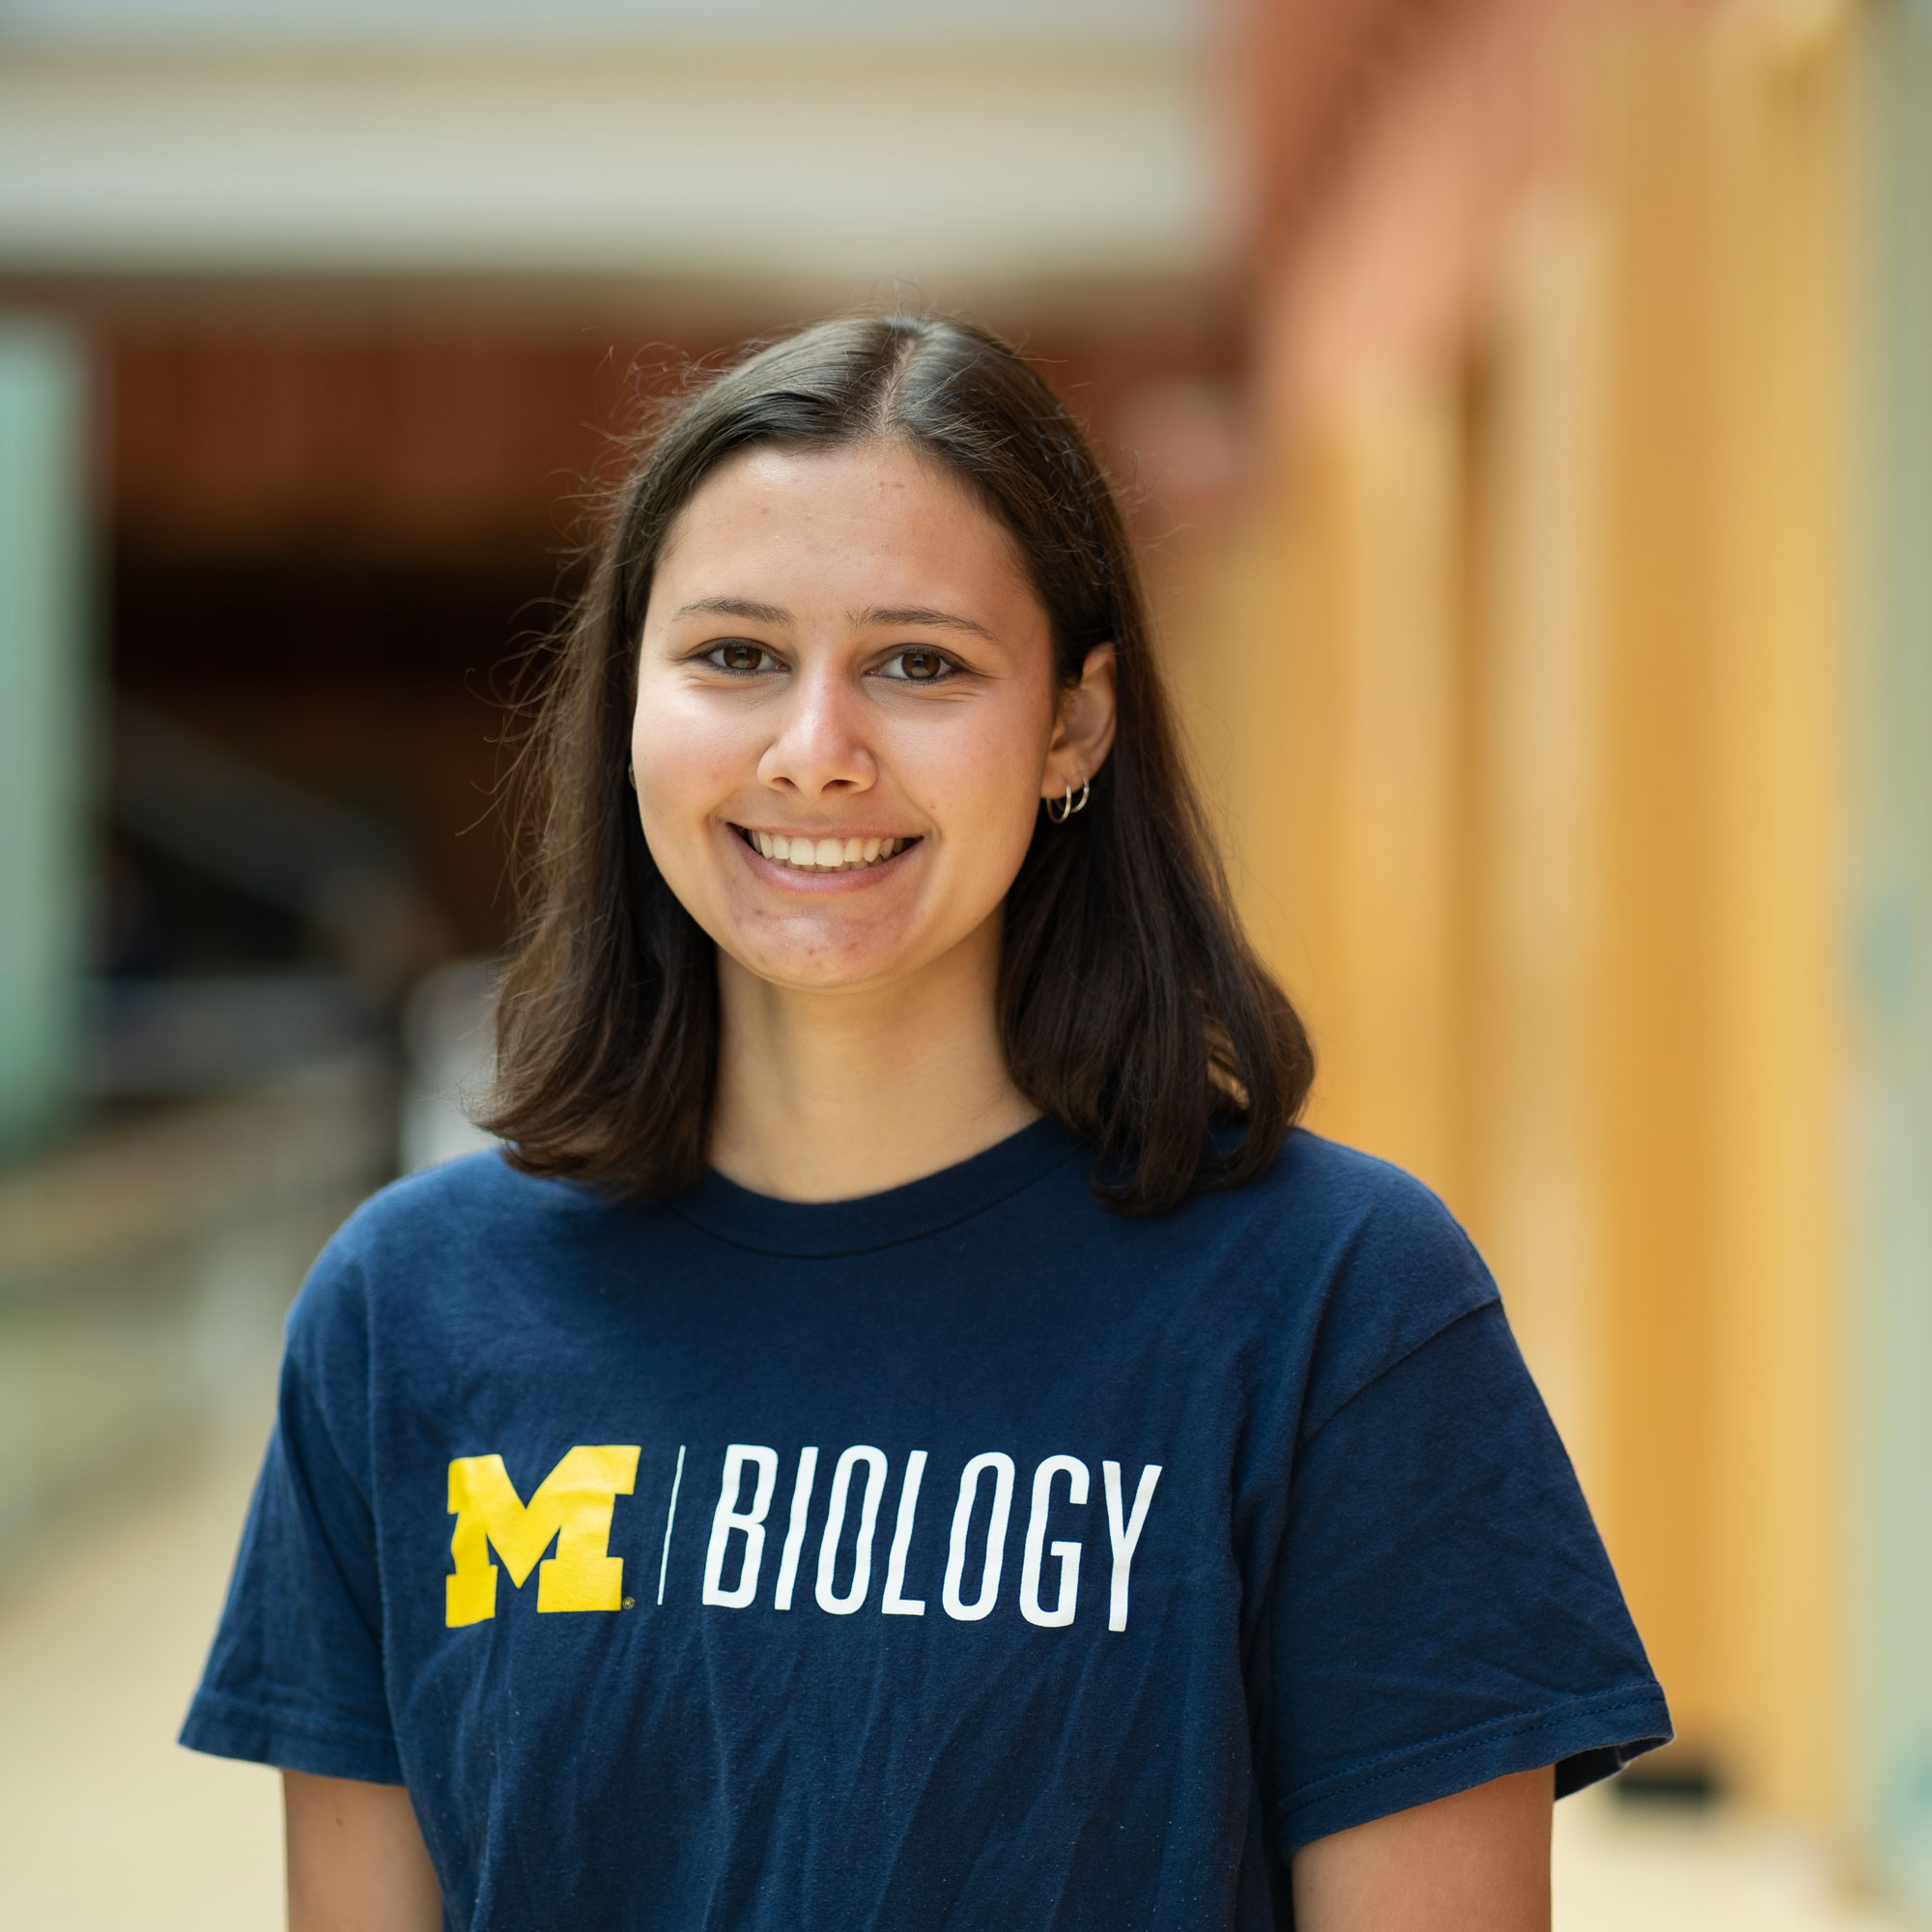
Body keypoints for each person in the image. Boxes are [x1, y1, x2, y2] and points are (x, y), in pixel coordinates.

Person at [182, 315, 1668, 1931]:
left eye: (920, 664)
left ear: (1073, 728)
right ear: (631, 703)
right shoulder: (407, 1312)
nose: (816, 753)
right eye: (735, 656)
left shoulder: (1336, 1304)